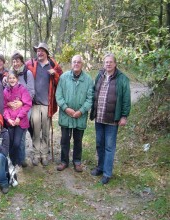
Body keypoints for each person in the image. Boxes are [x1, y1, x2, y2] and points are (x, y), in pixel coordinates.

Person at [90, 53, 131, 184]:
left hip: (112, 120)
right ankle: (100, 167)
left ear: (115, 64)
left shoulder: (122, 79)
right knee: (99, 144)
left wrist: (124, 116)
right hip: (99, 117)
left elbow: (126, 99)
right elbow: (94, 93)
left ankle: (107, 173)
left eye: (110, 62)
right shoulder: (100, 75)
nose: (108, 64)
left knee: (109, 146)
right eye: (106, 62)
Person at [26, 42, 63, 166]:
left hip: (48, 104)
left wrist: (55, 75)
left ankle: (45, 154)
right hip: (35, 104)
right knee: (36, 131)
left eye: (42, 51)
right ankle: (36, 154)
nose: (39, 53)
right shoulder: (31, 64)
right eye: (38, 51)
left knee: (46, 131)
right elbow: (18, 69)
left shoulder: (53, 65)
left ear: (47, 53)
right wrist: (6, 76)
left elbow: (62, 81)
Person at [55, 55, 94, 172]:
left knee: (78, 140)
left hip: (80, 116)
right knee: (65, 140)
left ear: (82, 64)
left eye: (78, 62)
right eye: (74, 62)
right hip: (66, 115)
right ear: (71, 64)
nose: (76, 64)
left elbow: (90, 98)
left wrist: (81, 111)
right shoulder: (64, 77)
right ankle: (64, 161)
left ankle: (77, 161)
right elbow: (59, 95)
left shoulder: (88, 80)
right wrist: (66, 108)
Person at [10, 52, 35, 167]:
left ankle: (22, 158)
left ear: (22, 61)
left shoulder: (27, 73)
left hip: (25, 107)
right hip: (13, 109)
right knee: (14, 133)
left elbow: (31, 91)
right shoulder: (11, 74)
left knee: (22, 133)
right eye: (13, 61)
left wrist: (22, 102)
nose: (15, 63)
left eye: (17, 61)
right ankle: (14, 159)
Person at [3, 72, 32, 166]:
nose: (12, 80)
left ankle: (18, 160)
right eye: (10, 78)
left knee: (17, 143)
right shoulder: (5, 91)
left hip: (20, 122)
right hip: (10, 122)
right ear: (7, 80)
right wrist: (8, 119)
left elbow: (27, 105)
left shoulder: (22, 90)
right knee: (11, 142)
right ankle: (12, 162)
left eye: (13, 78)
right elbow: (4, 107)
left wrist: (19, 117)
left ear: (17, 79)